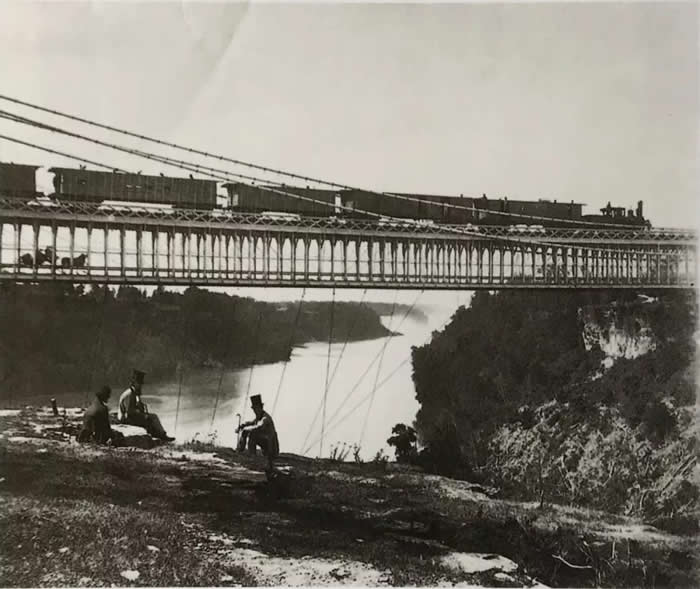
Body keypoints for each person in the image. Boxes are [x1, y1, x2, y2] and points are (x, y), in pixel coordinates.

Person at [118, 369, 174, 441]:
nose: (140, 386)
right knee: (153, 417)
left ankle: (159, 435)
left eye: (141, 384)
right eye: (139, 384)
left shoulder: (134, 393)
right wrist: (142, 414)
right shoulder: (129, 394)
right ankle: (162, 435)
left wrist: (140, 408)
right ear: (134, 383)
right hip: (126, 419)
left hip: (130, 417)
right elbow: (129, 412)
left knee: (151, 417)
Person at [236, 394, 279, 470]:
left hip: (272, 448)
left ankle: (252, 459)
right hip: (267, 445)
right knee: (247, 431)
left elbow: (259, 426)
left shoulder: (265, 418)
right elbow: (252, 422)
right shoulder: (259, 416)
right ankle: (240, 450)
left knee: (252, 434)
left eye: (256, 409)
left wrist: (246, 429)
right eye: (254, 409)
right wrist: (242, 426)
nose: (254, 411)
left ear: (260, 408)